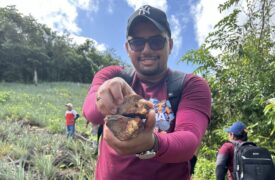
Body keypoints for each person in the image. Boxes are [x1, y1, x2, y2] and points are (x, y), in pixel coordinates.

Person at [82, 5, 211, 180]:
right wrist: (102, 98)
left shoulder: (192, 85)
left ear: (170, 45)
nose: (147, 50)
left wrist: (152, 144)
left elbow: (189, 140)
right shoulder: (110, 75)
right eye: (137, 42)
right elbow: (90, 112)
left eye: (156, 41)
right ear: (127, 48)